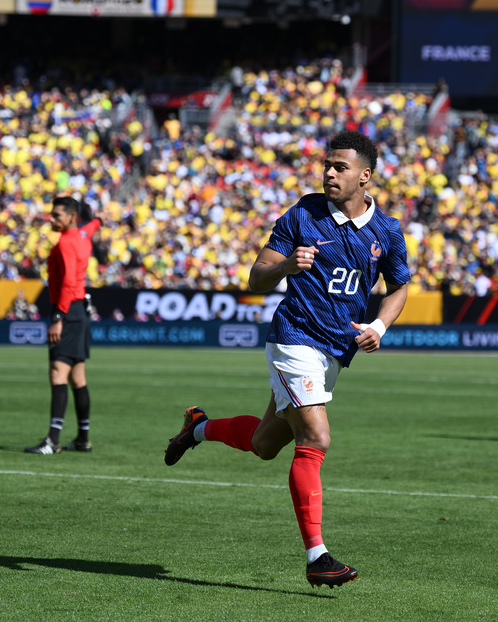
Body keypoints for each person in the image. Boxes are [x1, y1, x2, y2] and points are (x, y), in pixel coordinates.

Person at [163, 130, 411, 588]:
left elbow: (399, 287)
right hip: (294, 338)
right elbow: (257, 276)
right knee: (316, 435)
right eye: (328, 164)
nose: (330, 172)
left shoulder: (387, 231)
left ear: (366, 176)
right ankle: (318, 556)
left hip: (335, 351)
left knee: (264, 444)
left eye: (340, 167)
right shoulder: (303, 213)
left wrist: (378, 326)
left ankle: (196, 426)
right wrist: (285, 267)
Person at [25, 196, 101, 454]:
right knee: (78, 378)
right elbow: (95, 224)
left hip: (68, 311)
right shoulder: (82, 234)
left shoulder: (68, 241)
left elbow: (68, 282)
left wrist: (57, 318)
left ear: (71, 217)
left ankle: (53, 441)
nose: (51, 219)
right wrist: (96, 218)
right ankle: (82, 439)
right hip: (80, 310)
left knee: (58, 374)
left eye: (57, 215)